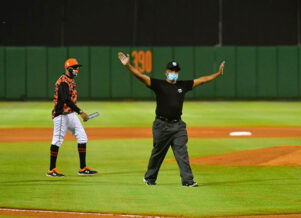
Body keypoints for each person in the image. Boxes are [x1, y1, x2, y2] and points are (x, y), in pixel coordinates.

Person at [118, 52, 225, 187]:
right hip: (161, 125)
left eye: (176, 71)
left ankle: (187, 181)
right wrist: (128, 65)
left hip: (178, 126)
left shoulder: (183, 85)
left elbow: (202, 80)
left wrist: (218, 74)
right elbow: (140, 76)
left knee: (182, 153)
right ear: (166, 72)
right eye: (171, 70)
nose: (174, 72)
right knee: (158, 154)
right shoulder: (158, 84)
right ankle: (149, 178)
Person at [47, 58, 98, 177]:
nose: (77, 69)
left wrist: (78, 112)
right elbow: (65, 99)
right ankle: (51, 170)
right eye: (74, 67)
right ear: (68, 68)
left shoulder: (71, 80)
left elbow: (70, 102)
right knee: (57, 140)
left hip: (70, 114)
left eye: (77, 67)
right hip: (61, 115)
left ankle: (83, 168)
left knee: (82, 137)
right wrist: (81, 112)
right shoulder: (63, 81)